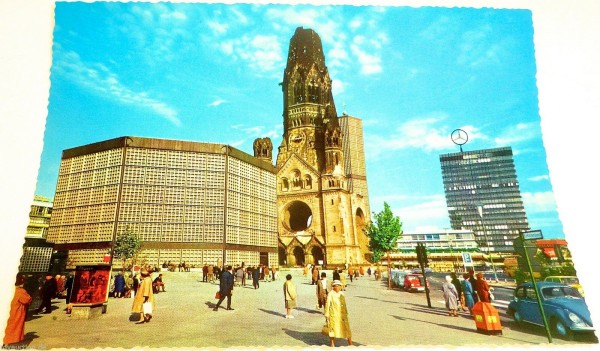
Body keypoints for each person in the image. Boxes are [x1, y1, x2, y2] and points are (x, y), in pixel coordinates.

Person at [3, 275, 32, 347]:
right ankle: (10, 342)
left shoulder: (8, 289)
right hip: (17, 312)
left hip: (8, 311)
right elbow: (27, 300)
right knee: (15, 326)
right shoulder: (20, 291)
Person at [324, 280, 352, 347]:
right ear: (333, 287)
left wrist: (346, 312)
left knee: (347, 329)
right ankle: (332, 344)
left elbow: (344, 304)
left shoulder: (342, 294)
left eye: (339, 286)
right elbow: (327, 304)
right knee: (332, 329)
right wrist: (327, 314)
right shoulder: (331, 294)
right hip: (334, 314)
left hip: (343, 315)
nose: (338, 287)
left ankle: (350, 344)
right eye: (336, 286)